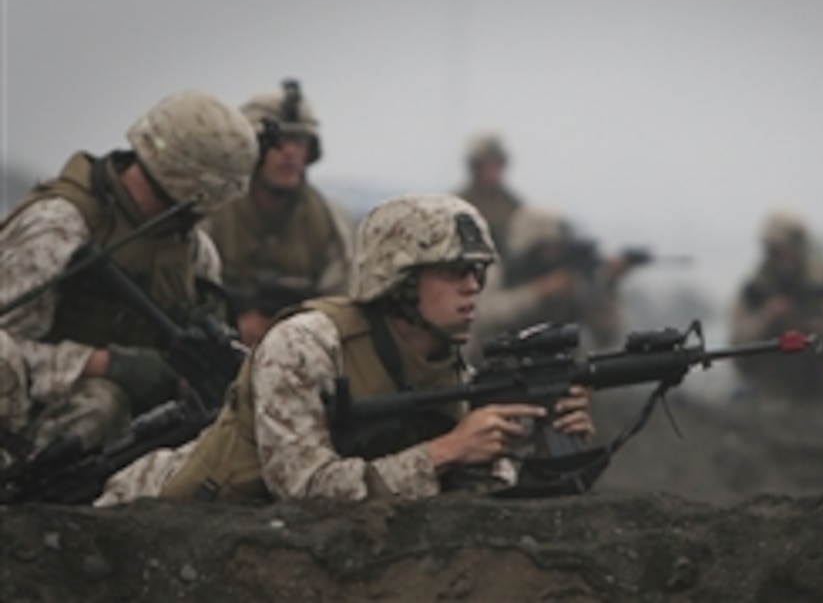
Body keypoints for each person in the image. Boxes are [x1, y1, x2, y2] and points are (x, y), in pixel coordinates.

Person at [95, 194, 594, 505]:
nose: (472, 287)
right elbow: (305, 490)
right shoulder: (306, 344)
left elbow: (465, 500)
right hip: (163, 518)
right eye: (453, 271)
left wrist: (530, 445)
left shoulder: (446, 363)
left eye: (479, 273)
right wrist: (446, 450)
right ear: (398, 282)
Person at [0, 90, 259, 469]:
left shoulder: (194, 251)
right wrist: (103, 364)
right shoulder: (58, 228)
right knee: (102, 404)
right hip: (35, 421)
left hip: (143, 419)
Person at [202, 79, 352, 347]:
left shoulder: (327, 220)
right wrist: (233, 323)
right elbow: (185, 292)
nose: (290, 152)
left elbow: (341, 305)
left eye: (300, 140)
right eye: (278, 141)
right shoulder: (212, 210)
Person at [729, 210, 823, 400]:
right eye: (775, 252)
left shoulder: (822, 282)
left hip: (822, 374)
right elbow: (737, 347)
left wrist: (816, 326)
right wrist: (768, 317)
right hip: (774, 379)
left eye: (785, 251)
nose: (782, 260)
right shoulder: (756, 289)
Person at [468, 205, 631, 362]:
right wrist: (539, 292)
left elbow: (607, 337)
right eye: (545, 248)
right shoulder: (497, 273)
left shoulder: (570, 280)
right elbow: (484, 316)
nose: (553, 256)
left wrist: (606, 285)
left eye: (558, 248)